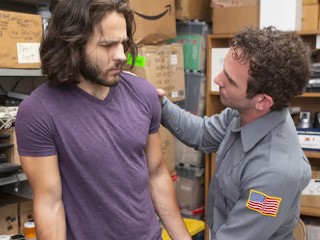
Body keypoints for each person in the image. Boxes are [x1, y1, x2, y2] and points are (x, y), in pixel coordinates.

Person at [15, 0, 191, 239]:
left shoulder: (144, 94)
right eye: (108, 45)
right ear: (73, 44)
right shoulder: (39, 111)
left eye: (123, 42)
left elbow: (157, 174)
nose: (120, 55)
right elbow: (49, 203)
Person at [159, 26, 312, 240]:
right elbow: (203, 133)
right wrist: (157, 103)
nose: (217, 79)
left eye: (229, 80)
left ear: (263, 101)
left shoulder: (274, 174)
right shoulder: (245, 112)